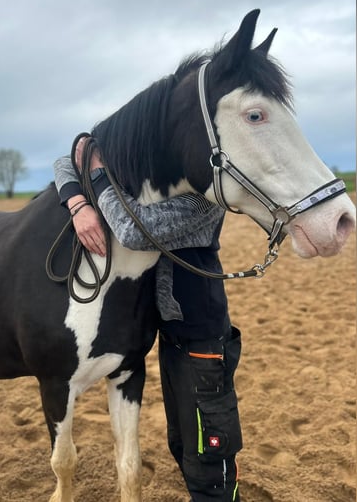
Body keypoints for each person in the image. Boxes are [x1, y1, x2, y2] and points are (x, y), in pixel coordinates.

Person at [53, 140, 243, 502]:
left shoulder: (202, 201)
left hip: (200, 338)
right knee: (183, 442)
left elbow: (133, 230)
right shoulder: (167, 182)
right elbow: (66, 160)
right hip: (172, 336)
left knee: (209, 452)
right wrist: (77, 203)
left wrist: (96, 174)